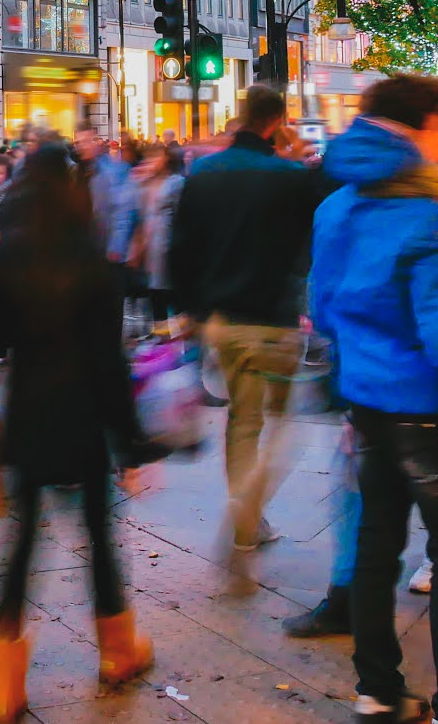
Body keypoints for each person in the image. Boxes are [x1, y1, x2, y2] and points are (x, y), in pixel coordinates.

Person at [311, 74, 438, 724]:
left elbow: (320, 309)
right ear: (419, 127)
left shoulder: (336, 206)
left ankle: (378, 691)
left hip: (368, 402)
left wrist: (349, 391)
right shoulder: (428, 217)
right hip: (428, 410)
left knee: (375, 544)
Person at [0, 144, 166, 722]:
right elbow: (109, 363)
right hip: (84, 414)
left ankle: (6, 682)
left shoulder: (3, 255)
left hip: (29, 410)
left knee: (19, 547)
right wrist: (131, 443)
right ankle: (118, 651)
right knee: (98, 535)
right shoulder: (96, 262)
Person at [168, 84, 331, 559]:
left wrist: (191, 309)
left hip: (223, 319)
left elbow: (181, 247)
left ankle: (246, 517)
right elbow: (313, 237)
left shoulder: (203, 172)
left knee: (242, 419)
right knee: (282, 424)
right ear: (277, 120)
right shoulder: (288, 176)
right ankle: (247, 509)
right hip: (275, 318)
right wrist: (301, 158)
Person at [74, 124, 140, 282]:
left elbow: (123, 210)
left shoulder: (115, 170)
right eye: (78, 142)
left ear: (95, 141)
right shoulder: (76, 171)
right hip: (85, 250)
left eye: (86, 141)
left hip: (107, 250)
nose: (82, 146)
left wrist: (116, 246)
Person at [130, 143, 186, 323]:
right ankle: (160, 336)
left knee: (169, 291)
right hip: (150, 244)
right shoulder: (142, 183)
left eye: (157, 157)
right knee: (154, 292)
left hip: (167, 243)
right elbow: (137, 213)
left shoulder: (176, 182)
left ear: (166, 159)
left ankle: (177, 338)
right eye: (150, 157)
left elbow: (181, 214)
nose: (152, 161)